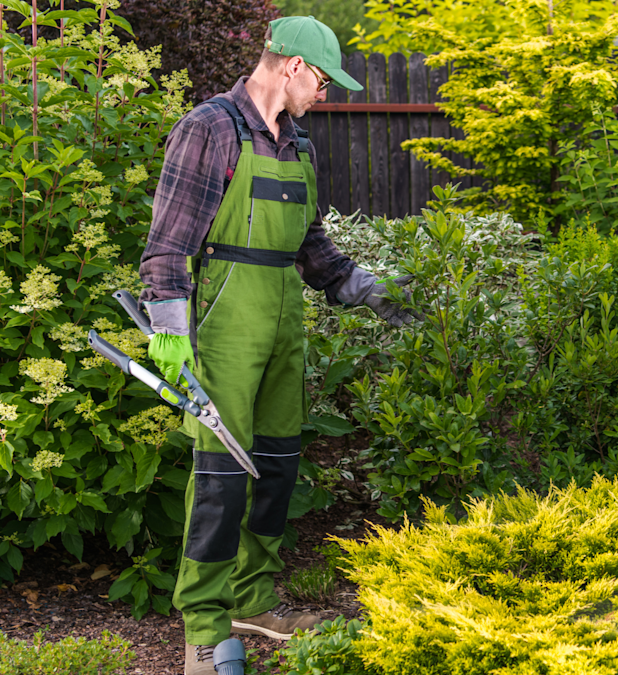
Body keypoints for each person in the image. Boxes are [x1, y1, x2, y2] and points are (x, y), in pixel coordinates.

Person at [137, 16, 414, 675]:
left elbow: (314, 254)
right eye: (322, 79)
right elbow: (167, 248)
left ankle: (254, 599)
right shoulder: (210, 130)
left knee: (277, 467)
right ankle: (204, 626)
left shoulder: (300, 147)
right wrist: (172, 333)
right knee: (221, 477)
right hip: (227, 324)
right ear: (290, 65)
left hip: (283, 322)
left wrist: (380, 294)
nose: (326, 93)